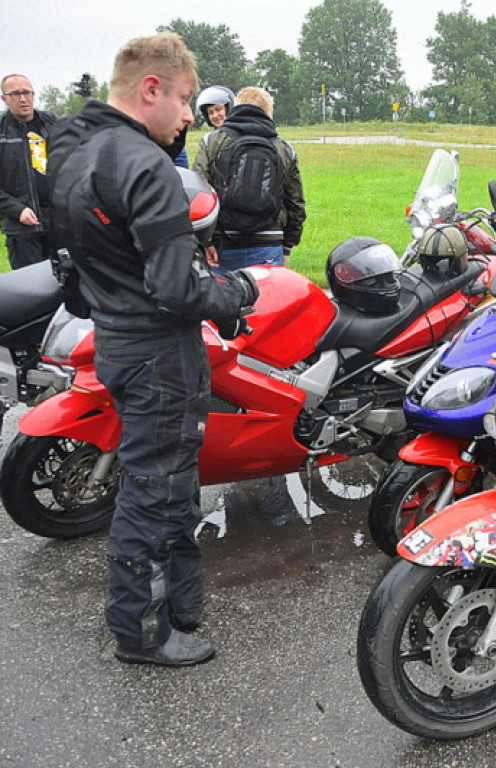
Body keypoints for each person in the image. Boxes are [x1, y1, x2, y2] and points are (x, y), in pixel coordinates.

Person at [47, 32, 259, 667]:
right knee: (155, 489)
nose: (191, 114)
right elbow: (177, 287)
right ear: (150, 90)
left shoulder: (79, 154)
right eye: (187, 99)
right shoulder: (146, 166)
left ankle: (180, 607)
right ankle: (142, 633)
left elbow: (76, 274)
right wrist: (238, 290)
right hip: (159, 353)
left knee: (166, 481)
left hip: (115, 338)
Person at [194, 86, 305, 271]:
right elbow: (295, 203)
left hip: (223, 243)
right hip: (269, 242)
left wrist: (206, 241)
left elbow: (200, 190)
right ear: (269, 112)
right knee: (266, 299)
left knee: (223, 299)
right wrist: (287, 246)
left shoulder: (211, 142)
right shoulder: (285, 149)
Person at [0, 74, 58, 269]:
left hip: (59, 223)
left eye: (26, 92)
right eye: (15, 94)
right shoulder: (2, 131)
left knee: (70, 285)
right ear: (4, 99)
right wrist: (17, 210)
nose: (22, 98)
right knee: (34, 290)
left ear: (33, 94)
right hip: (22, 227)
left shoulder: (53, 125)